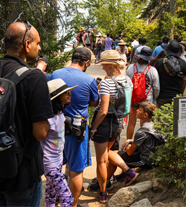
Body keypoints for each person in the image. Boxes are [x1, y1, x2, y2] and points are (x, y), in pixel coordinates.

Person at [0, 21, 54, 206]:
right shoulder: (34, 77)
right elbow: (40, 132)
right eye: (37, 43)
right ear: (27, 45)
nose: (39, 47)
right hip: (22, 175)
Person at [51, 48, 99, 207]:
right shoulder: (89, 80)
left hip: (55, 127)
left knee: (57, 167)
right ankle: (72, 204)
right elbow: (94, 102)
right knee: (76, 171)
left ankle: (56, 198)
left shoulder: (55, 74)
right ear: (86, 63)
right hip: (77, 130)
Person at [90, 50, 133, 204]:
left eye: (103, 65)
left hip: (105, 123)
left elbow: (102, 110)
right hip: (119, 122)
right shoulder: (127, 80)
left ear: (109, 64)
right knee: (110, 153)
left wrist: (94, 128)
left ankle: (102, 193)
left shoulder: (108, 82)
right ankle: (127, 173)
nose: (102, 68)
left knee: (101, 161)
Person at [42, 79, 77, 207]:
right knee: (67, 198)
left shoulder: (60, 114)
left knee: (51, 194)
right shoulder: (48, 119)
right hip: (50, 164)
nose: (70, 94)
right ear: (56, 97)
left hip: (57, 162)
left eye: (69, 91)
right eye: (66, 92)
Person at [107, 102, 158, 185]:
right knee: (116, 155)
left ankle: (128, 173)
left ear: (145, 115)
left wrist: (128, 147)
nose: (137, 110)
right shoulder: (154, 125)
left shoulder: (141, 131)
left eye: (139, 110)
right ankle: (115, 178)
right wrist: (130, 141)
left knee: (110, 154)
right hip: (153, 156)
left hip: (146, 161)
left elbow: (129, 153)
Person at [126, 46, 160, 139]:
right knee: (145, 124)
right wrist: (154, 98)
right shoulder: (152, 70)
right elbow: (156, 87)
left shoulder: (131, 68)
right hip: (147, 100)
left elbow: (127, 84)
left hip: (133, 99)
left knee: (131, 123)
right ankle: (142, 145)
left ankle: (128, 143)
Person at [155, 40, 186, 108]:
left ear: (167, 51)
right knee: (174, 117)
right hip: (176, 95)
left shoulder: (159, 62)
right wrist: (181, 94)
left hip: (162, 96)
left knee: (162, 117)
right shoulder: (183, 63)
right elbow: (184, 80)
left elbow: (156, 79)